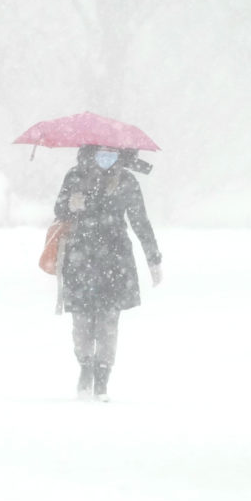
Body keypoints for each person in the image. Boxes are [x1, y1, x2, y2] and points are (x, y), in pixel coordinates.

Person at [53, 145, 162, 400]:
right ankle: (85, 368)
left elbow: (140, 221)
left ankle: (102, 379)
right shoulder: (75, 176)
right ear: (90, 153)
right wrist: (71, 205)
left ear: (120, 155)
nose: (106, 158)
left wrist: (153, 258)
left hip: (115, 259)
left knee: (108, 322)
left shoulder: (126, 180)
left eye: (111, 153)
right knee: (81, 320)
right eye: (101, 153)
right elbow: (59, 211)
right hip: (80, 257)